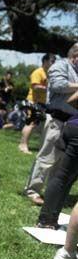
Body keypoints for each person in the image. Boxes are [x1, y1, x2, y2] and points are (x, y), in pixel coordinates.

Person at [23, 44, 78, 206]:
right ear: (75, 55)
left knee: (61, 162)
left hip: (71, 122)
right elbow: (58, 86)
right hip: (56, 119)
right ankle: (32, 190)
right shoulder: (59, 66)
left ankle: (50, 193)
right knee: (47, 158)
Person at [37, 88, 78, 229]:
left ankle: (49, 219)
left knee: (66, 177)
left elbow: (72, 100)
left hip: (72, 126)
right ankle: (46, 219)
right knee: (64, 177)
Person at [19, 54, 55, 154]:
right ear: (45, 61)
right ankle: (22, 145)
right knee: (30, 123)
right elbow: (35, 87)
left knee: (34, 125)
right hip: (33, 102)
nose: (53, 63)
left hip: (41, 103)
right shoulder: (38, 72)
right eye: (52, 61)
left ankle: (24, 143)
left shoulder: (48, 74)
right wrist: (48, 88)